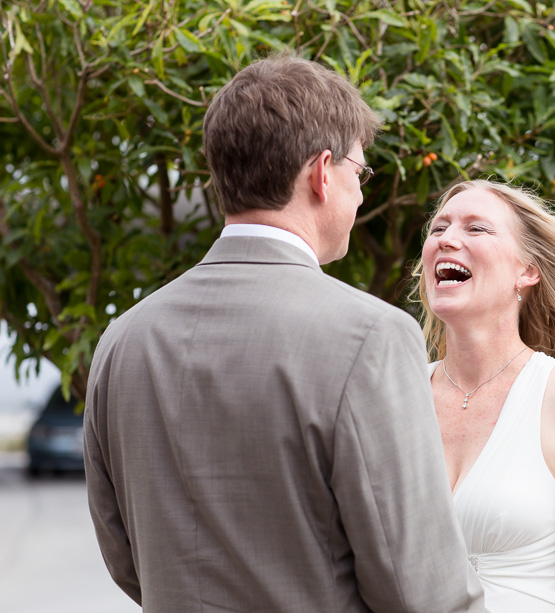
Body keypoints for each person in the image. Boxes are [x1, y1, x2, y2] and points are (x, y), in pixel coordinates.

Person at [83, 55, 484, 613]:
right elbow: (418, 588)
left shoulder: (123, 340)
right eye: (359, 173)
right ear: (322, 173)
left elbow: (126, 559)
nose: (363, 195)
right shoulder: (372, 335)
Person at [413, 179, 555, 612]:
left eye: (477, 229)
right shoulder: (396, 396)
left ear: (527, 271)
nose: (448, 240)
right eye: (438, 229)